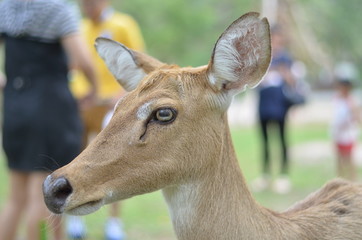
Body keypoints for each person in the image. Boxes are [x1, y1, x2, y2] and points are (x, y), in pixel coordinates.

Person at [0, 0, 98, 240]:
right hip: (50, 109)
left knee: (16, 199)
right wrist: (94, 87)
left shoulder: (6, 6)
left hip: (14, 107)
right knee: (42, 196)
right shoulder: (56, 8)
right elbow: (82, 59)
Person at [68, 0, 145, 239]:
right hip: (84, 102)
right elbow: (74, 66)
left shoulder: (123, 24)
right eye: (84, 3)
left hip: (112, 103)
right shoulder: (78, 28)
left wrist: (121, 95)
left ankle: (114, 221)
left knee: (114, 160)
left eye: (91, 2)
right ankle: (74, 218)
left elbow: (140, 63)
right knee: (74, 159)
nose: (87, 6)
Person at [252, 25, 295, 194]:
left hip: (280, 107)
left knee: (282, 140)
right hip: (264, 106)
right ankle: (265, 175)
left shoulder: (286, 58)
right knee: (265, 142)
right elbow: (254, 82)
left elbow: (293, 82)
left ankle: (283, 176)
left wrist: (285, 74)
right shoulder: (261, 59)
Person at [331, 78, 360, 181]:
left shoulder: (352, 101)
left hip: (348, 135)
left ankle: (352, 181)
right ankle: (340, 181)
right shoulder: (336, 99)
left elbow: (358, 118)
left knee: (349, 160)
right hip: (338, 133)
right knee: (339, 161)